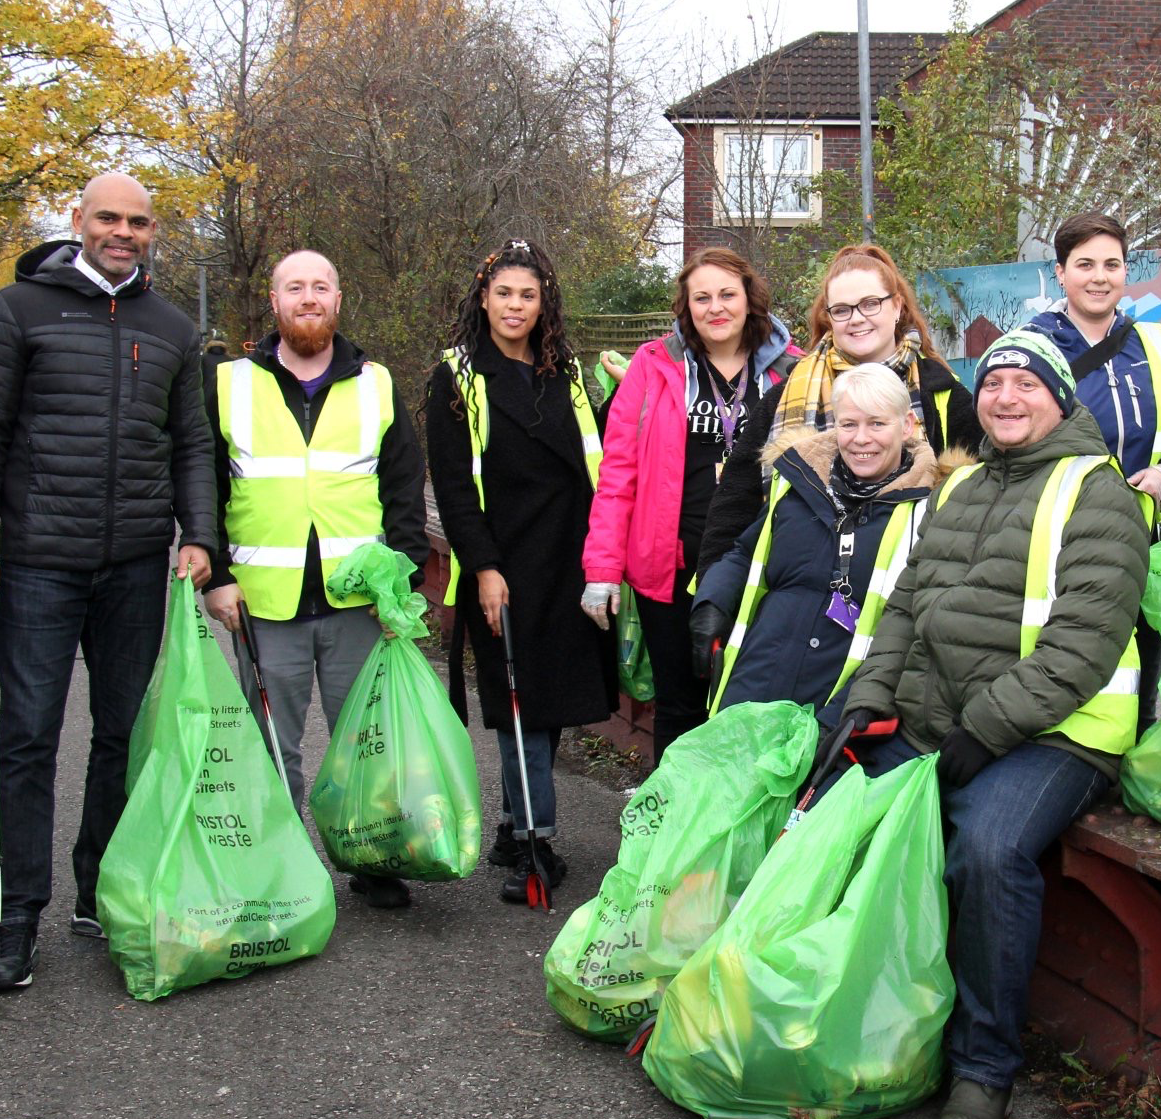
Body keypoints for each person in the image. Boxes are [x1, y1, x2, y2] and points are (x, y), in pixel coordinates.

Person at [836, 328, 1148, 1119]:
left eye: (1027, 383)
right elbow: (902, 611)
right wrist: (867, 702)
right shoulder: (958, 487)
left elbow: (1081, 648)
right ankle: (868, 1024)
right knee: (841, 814)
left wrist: (981, 729)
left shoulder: (1098, 492)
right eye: (994, 383)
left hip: (1061, 734)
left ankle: (983, 1068)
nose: (1007, 397)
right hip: (946, 720)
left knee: (988, 848)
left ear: (1059, 398)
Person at [0, 172, 217, 992]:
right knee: (27, 736)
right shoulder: (18, 309)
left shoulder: (173, 327)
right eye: (108, 218)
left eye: (137, 221)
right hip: (36, 562)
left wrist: (200, 534)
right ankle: (17, 913)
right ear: (78, 221)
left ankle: (99, 888)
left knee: (120, 734)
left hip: (135, 563)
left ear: (151, 230)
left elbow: (192, 445)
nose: (122, 232)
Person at [202, 249, 428, 910]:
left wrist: (402, 583)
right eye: (294, 287)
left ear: (338, 298)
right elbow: (204, 486)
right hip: (262, 601)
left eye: (320, 286)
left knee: (365, 740)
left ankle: (371, 856)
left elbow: (404, 493)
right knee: (271, 743)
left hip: (356, 598)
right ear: (274, 302)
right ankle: (280, 863)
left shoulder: (377, 382)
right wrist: (214, 573)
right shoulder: (229, 383)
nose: (308, 297)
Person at [425, 240, 615, 902]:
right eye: (504, 293)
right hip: (503, 566)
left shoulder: (564, 372)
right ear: (483, 298)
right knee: (518, 707)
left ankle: (512, 823)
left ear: (544, 305)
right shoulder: (457, 375)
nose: (515, 305)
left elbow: (594, 461)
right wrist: (481, 566)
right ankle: (537, 841)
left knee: (548, 700)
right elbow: (452, 486)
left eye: (528, 295)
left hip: (567, 560)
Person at [581, 248, 800, 761]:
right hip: (671, 566)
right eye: (702, 297)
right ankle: (672, 829)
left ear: (750, 299)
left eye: (727, 294)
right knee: (679, 706)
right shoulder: (654, 367)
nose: (715, 307)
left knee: (750, 708)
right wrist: (602, 569)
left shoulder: (791, 371)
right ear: (686, 306)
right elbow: (618, 473)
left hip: (761, 566)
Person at [698, 243, 982, 574]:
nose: (857, 319)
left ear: (897, 306)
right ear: (829, 318)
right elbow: (735, 499)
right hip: (800, 585)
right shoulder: (785, 396)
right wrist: (712, 589)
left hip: (907, 589)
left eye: (870, 304)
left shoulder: (943, 395)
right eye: (842, 310)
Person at [691, 364, 951, 725]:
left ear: (907, 425)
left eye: (877, 423)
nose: (861, 438)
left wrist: (860, 709)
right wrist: (711, 604)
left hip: (842, 704)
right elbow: (745, 553)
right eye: (849, 424)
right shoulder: (798, 483)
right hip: (755, 683)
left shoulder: (931, 509)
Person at [1028, 211, 1161, 733]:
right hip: (1068, 534)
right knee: (1076, 644)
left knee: (1144, 647)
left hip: (1147, 534)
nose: (1099, 277)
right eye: (1085, 264)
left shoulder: (1157, 342)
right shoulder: (1033, 346)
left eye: (1111, 264)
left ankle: (1136, 747)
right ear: (1060, 273)